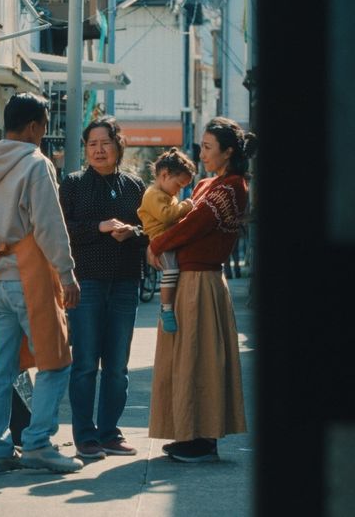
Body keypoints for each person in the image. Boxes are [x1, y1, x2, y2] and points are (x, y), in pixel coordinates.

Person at [0, 93, 83, 473]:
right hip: (29, 276)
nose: (43, 135)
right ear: (34, 126)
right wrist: (66, 273)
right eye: (44, 128)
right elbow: (49, 225)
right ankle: (37, 444)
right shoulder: (36, 163)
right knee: (55, 360)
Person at [146, 117, 254, 462]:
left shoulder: (232, 186)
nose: (202, 153)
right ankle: (190, 433)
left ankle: (204, 439)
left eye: (208, 147)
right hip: (190, 280)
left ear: (228, 151)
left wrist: (156, 244)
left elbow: (192, 225)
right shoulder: (211, 183)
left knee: (200, 358)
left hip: (201, 281)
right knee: (187, 358)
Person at [59, 116, 149, 460]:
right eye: (92, 144)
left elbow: (150, 231)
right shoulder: (73, 183)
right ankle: (85, 436)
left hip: (125, 282)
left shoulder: (134, 185)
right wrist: (100, 226)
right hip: (87, 283)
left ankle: (110, 433)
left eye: (105, 143)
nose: (98, 150)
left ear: (118, 146)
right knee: (84, 363)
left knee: (117, 366)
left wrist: (133, 233)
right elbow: (62, 230)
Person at [136, 148, 197, 333]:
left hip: (168, 238)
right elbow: (167, 216)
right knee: (171, 271)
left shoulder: (167, 195)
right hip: (160, 240)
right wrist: (186, 206)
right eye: (178, 185)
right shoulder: (153, 195)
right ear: (164, 175)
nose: (179, 190)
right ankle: (166, 308)